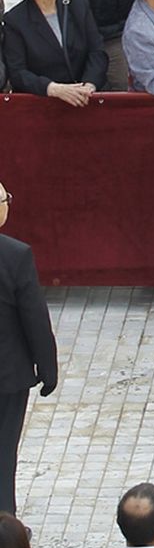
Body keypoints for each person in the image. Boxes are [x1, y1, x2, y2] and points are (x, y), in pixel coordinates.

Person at [0, 181, 55, 515]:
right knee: (3, 451)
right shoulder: (14, 256)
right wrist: (47, 368)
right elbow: (33, 316)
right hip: (6, 376)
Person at [2, 0, 108, 98]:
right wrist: (52, 89)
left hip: (86, 97)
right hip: (43, 104)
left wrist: (89, 85)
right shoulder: (15, 21)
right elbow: (18, 72)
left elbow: (97, 51)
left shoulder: (78, 4)